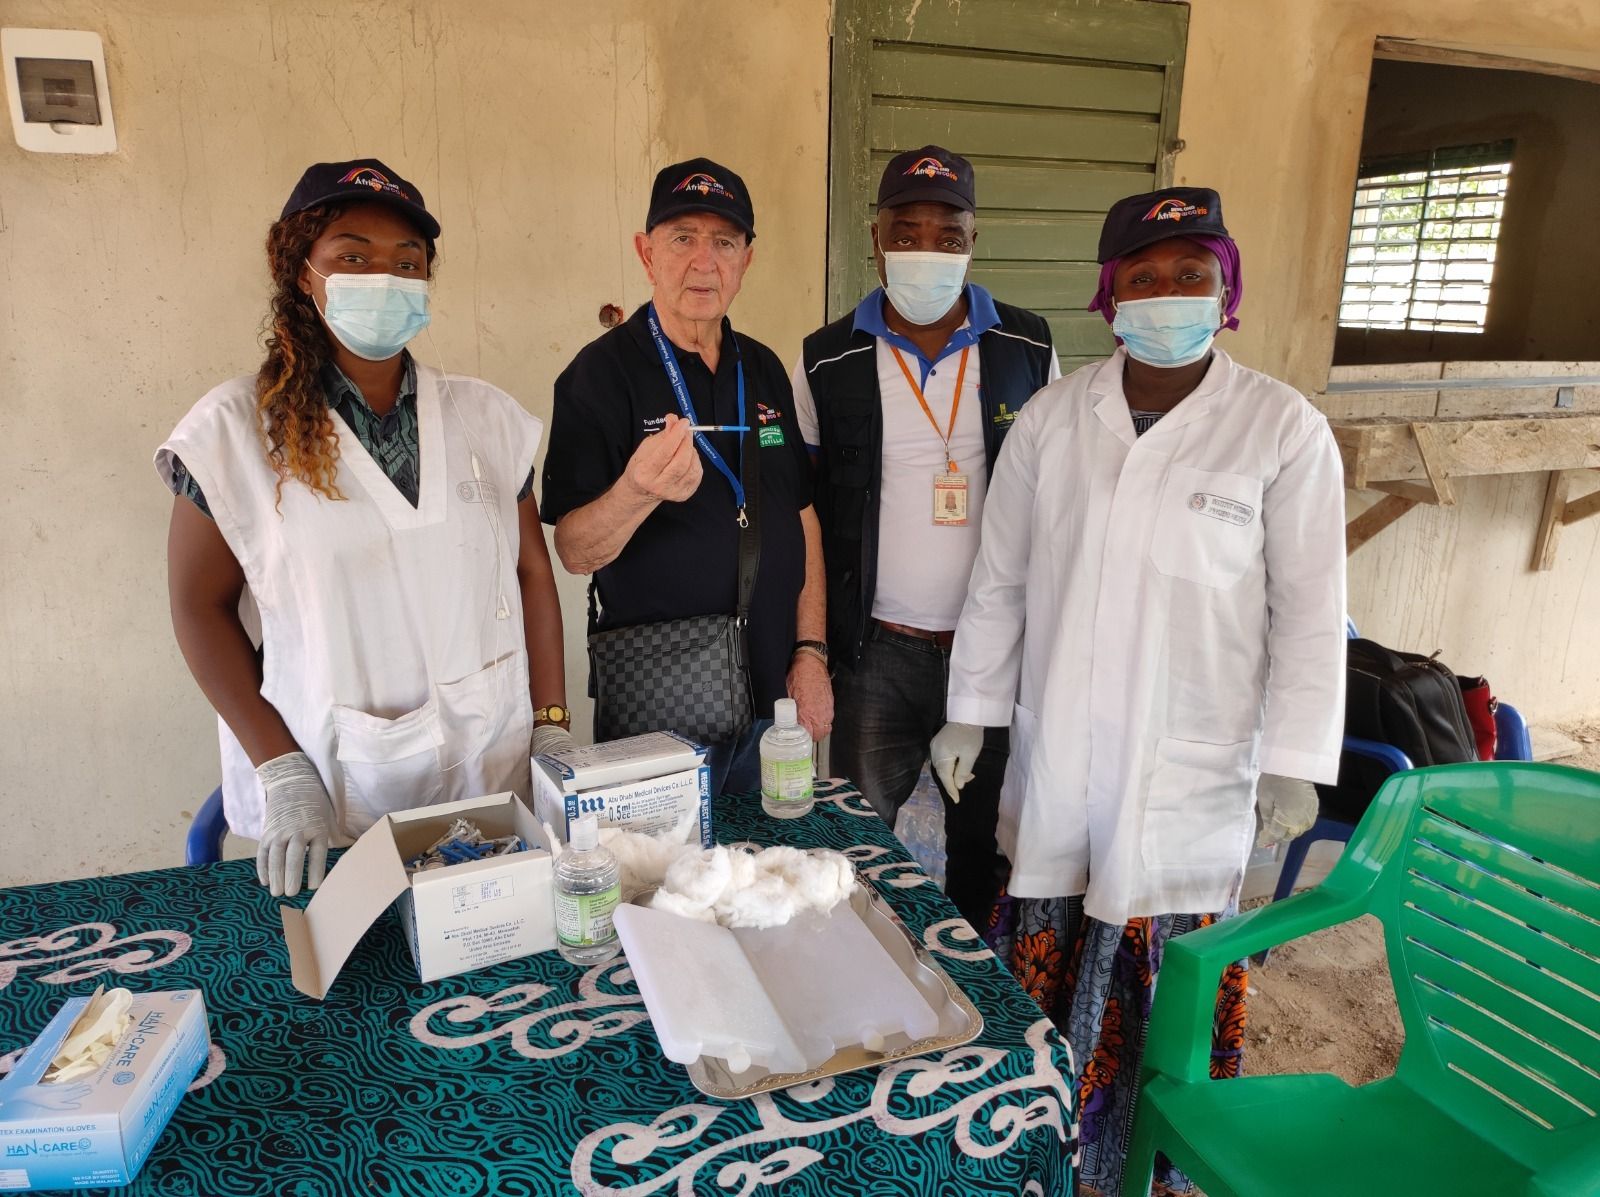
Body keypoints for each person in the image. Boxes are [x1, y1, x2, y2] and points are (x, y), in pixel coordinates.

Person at [933, 187, 1346, 1196]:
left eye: (1188, 275)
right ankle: (1036, 1160)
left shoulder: (1280, 430)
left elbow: (1307, 611)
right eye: (1144, 278)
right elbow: (1000, 580)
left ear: (1225, 288)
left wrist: (1294, 765)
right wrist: (971, 712)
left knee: (1168, 995)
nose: (1166, 294)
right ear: (1109, 295)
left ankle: (1149, 1171)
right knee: (1046, 952)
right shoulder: (1051, 419)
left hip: (1189, 772)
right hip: (1064, 754)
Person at [158, 159, 571, 898]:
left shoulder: (487, 419)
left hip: (493, 780)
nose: (384, 276)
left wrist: (552, 723)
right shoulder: (234, 435)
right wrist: (280, 766)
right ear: (302, 274)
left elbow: (533, 573)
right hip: (335, 794)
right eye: (353, 256)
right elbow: (198, 605)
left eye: (405, 262)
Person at [793, 145, 1058, 929]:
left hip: (992, 654)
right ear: (874, 237)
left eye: (949, 234)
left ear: (974, 240)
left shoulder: (1028, 347)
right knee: (860, 843)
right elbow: (808, 513)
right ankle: (870, 977)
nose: (927, 250)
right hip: (876, 652)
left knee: (984, 842)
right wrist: (809, 649)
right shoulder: (827, 357)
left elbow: (1054, 498)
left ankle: (978, 984)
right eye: (906, 231)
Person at [542, 158, 830, 795]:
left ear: (747, 259)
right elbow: (573, 550)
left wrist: (811, 651)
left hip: (774, 700)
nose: (705, 261)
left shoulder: (764, 368)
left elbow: (801, 516)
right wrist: (636, 492)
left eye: (724, 241)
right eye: (682, 239)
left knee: (773, 873)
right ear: (647, 253)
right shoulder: (600, 376)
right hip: (660, 706)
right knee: (662, 883)